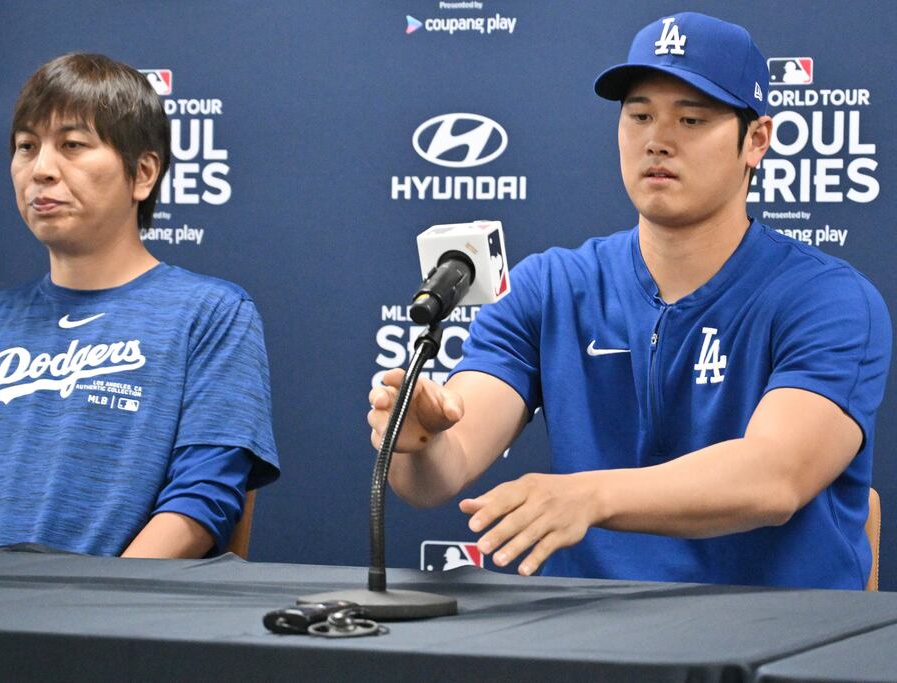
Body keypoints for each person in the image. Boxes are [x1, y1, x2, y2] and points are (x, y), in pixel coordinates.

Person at [368, 13, 890, 589]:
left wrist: (590, 495)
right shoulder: (550, 286)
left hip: (773, 640)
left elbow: (775, 478)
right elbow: (440, 475)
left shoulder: (829, 298)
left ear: (757, 140)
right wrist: (417, 441)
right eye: (639, 115)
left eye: (691, 119)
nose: (657, 140)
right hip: (591, 638)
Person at [0, 54, 279, 558]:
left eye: (72, 145)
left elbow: (203, 500)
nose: (41, 169)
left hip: (111, 622)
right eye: (26, 146)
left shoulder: (211, 315)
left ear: (143, 173)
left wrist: (88, 612)